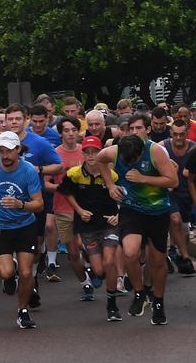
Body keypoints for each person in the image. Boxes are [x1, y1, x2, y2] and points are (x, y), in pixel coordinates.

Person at [97, 118, 178, 325]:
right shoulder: (116, 151)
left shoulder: (155, 152)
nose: (130, 163)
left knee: (158, 261)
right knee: (130, 252)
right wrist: (109, 185)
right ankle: (140, 292)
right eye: (128, 161)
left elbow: (173, 181)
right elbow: (99, 159)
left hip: (157, 210)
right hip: (131, 209)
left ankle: (158, 302)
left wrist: (144, 179)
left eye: (134, 160)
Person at [0, 103, 62, 309]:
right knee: (7, 259)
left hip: (33, 202)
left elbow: (58, 165)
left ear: (26, 120)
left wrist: (38, 168)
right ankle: (14, 274)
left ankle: (31, 284)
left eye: (17, 119)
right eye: (10, 119)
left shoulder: (39, 143)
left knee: (34, 249)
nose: (14, 122)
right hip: (4, 204)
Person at [0, 131, 44, 328]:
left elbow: (39, 204)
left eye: (9, 151)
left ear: (18, 150)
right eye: (1, 151)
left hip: (25, 226)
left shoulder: (29, 170)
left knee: (26, 273)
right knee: (7, 273)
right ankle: (10, 274)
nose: (5, 155)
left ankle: (22, 311)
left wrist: (19, 204)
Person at [58, 136, 122, 321]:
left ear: (101, 153)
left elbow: (124, 197)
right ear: (83, 153)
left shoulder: (113, 175)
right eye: (87, 151)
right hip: (87, 226)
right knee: (100, 270)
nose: (91, 155)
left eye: (95, 151)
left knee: (109, 263)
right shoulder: (74, 174)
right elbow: (66, 192)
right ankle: (93, 272)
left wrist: (118, 215)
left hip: (109, 224)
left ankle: (112, 305)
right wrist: (79, 210)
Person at [44, 117, 85, 284]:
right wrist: (61, 188)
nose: (70, 133)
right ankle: (85, 281)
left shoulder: (86, 151)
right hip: (63, 208)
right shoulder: (54, 154)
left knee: (86, 245)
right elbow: (45, 183)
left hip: (86, 206)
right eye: (66, 130)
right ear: (60, 133)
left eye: (74, 130)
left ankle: (91, 268)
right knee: (73, 251)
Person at [163, 120, 196, 274]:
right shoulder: (162, 147)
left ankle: (174, 252)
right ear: (171, 133)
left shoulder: (193, 149)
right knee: (175, 220)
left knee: (183, 228)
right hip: (170, 192)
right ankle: (185, 258)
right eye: (175, 134)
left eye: (182, 134)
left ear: (187, 132)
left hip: (188, 193)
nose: (178, 138)